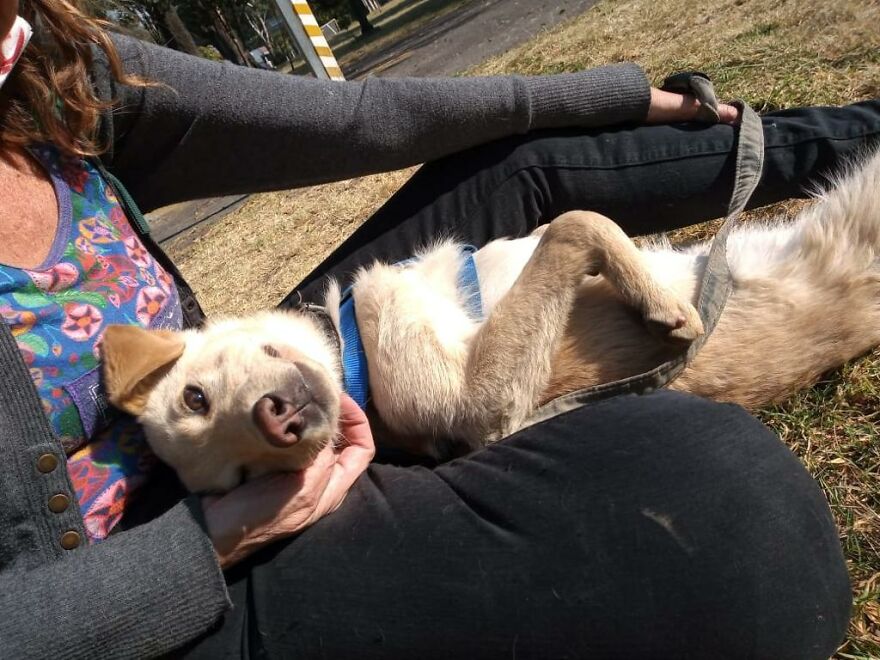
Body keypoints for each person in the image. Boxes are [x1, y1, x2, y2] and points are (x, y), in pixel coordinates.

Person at [1, 1, 877, 657]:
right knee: (731, 503)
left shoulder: (47, 72)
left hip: (313, 371)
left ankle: (850, 132)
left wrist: (623, 92)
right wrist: (217, 535)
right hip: (150, 586)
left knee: (529, 158)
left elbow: (358, 119)